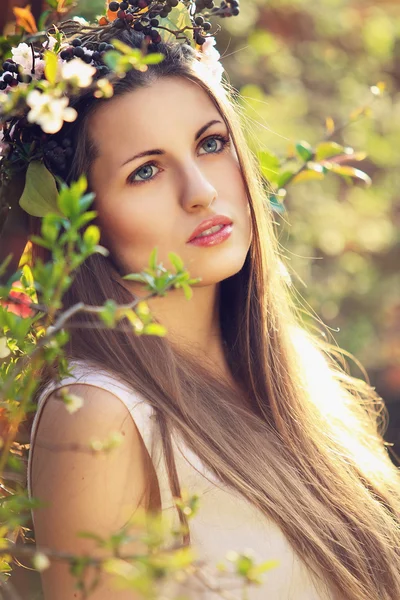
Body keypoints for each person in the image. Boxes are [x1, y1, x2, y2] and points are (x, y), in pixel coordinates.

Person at [13, 14, 399, 600]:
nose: (201, 191)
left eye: (211, 144)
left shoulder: (299, 374)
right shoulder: (100, 415)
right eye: (145, 171)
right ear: (80, 218)